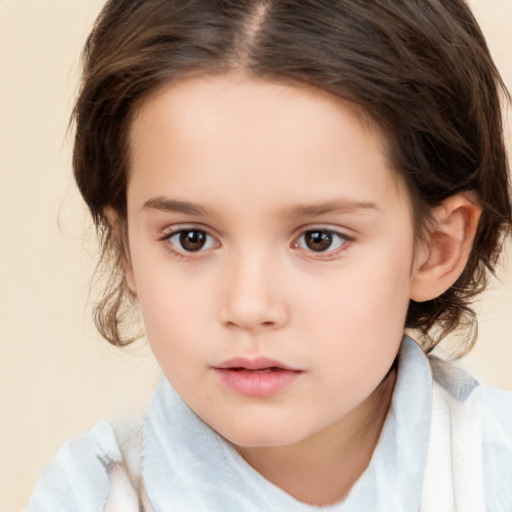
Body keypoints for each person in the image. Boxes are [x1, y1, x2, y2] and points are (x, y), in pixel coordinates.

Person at [27, 0, 512, 510]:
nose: (249, 306)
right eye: (191, 238)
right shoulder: (86, 496)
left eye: (319, 239)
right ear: (125, 249)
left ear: (437, 247)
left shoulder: (495, 472)